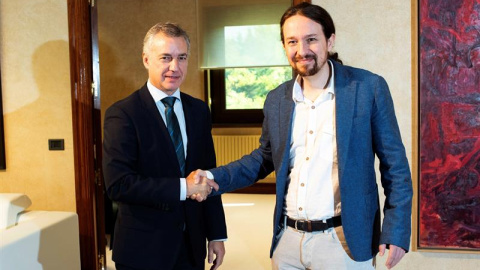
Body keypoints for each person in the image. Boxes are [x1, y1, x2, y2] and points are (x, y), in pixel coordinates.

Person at [195, 2, 412, 270]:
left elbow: (396, 168)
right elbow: (263, 158)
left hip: (344, 244)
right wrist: (215, 177)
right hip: (287, 243)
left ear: (329, 40)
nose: (302, 51)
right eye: (292, 42)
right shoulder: (277, 99)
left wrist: (396, 231)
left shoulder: (368, 88)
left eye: (311, 40)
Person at [103, 22, 227, 270]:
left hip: (191, 246)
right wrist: (185, 187)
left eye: (182, 57)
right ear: (146, 59)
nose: (175, 67)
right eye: (166, 58)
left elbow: (207, 175)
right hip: (143, 249)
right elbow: (119, 185)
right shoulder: (122, 114)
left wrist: (216, 234)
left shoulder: (199, 110)